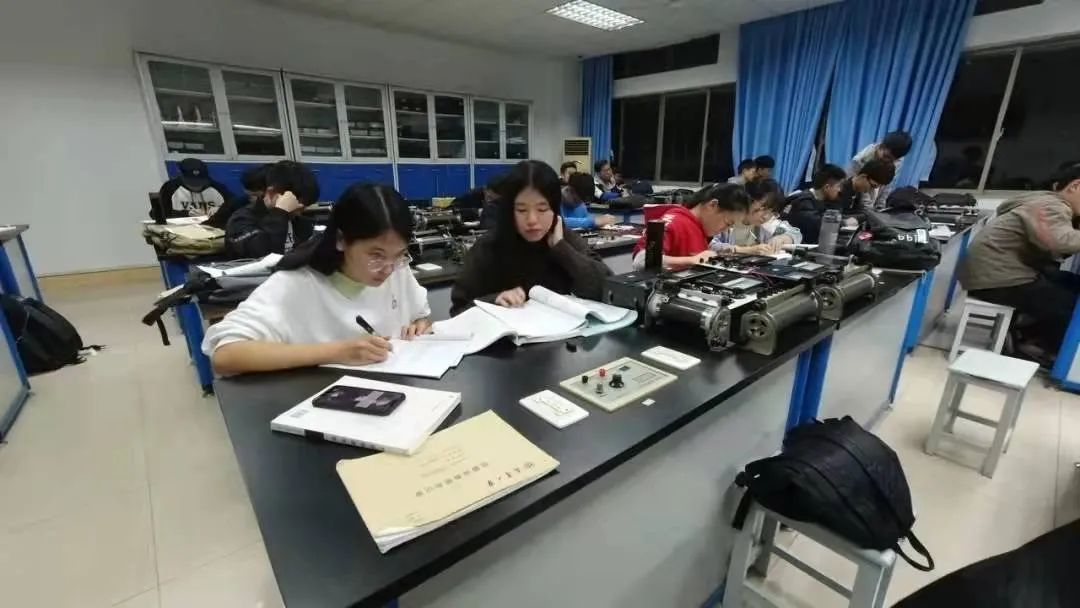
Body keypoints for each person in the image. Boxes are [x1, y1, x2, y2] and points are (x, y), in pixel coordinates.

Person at [203, 183, 432, 375]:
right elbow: (226, 355)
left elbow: (419, 315)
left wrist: (418, 326)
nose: (388, 270)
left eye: (400, 255)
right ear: (341, 240)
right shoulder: (296, 284)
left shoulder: (396, 270)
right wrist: (337, 352)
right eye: (376, 255)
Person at [451, 160, 611, 316]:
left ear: (554, 209)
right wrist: (494, 301)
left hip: (561, 338)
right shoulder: (489, 246)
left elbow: (607, 289)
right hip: (506, 341)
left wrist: (562, 248)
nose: (532, 220)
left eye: (542, 209)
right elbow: (458, 310)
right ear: (509, 210)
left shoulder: (563, 237)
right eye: (521, 210)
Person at [957, 163, 1080, 359]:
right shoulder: (1050, 206)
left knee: (1070, 282)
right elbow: (1058, 242)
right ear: (1074, 186)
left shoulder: (1048, 203)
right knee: (1070, 305)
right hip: (998, 278)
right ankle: (1030, 343)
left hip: (998, 272)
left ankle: (1023, 330)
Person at [631, 182, 750, 269]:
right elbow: (641, 260)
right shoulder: (675, 222)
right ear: (712, 205)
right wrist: (693, 260)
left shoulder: (698, 227)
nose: (725, 229)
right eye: (727, 223)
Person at [225, 160, 319, 259]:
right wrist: (279, 213)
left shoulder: (298, 221)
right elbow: (262, 255)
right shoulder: (241, 220)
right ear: (271, 193)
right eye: (296, 206)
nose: (299, 213)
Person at [784, 161, 894, 243]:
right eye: (838, 186)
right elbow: (819, 222)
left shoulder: (821, 199)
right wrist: (845, 222)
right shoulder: (804, 200)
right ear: (827, 187)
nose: (840, 190)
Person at [711, 179, 802, 254]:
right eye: (764, 209)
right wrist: (747, 250)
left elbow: (795, 233)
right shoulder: (729, 217)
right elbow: (711, 244)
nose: (766, 216)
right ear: (750, 199)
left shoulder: (767, 224)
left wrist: (782, 238)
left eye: (772, 212)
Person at [154, 157, 233, 222]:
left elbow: (236, 207)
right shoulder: (170, 188)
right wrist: (186, 214)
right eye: (191, 183)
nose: (196, 187)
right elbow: (156, 214)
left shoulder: (218, 188)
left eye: (200, 183)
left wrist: (221, 210)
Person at [850, 130, 912, 208]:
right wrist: (869, 209)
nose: (887, 161)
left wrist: (881, 206)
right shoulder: (861, 159)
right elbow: (862, 188)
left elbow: (888, 184)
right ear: (881, 146)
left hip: (873, 200)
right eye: (886, 156)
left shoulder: (897, 159)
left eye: (892, 160)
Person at [205, 164, 265, 230]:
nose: (253, 199)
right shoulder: (236, 203)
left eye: (257, 196)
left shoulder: (274, 209)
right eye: (250, 195)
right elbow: (212, 223)